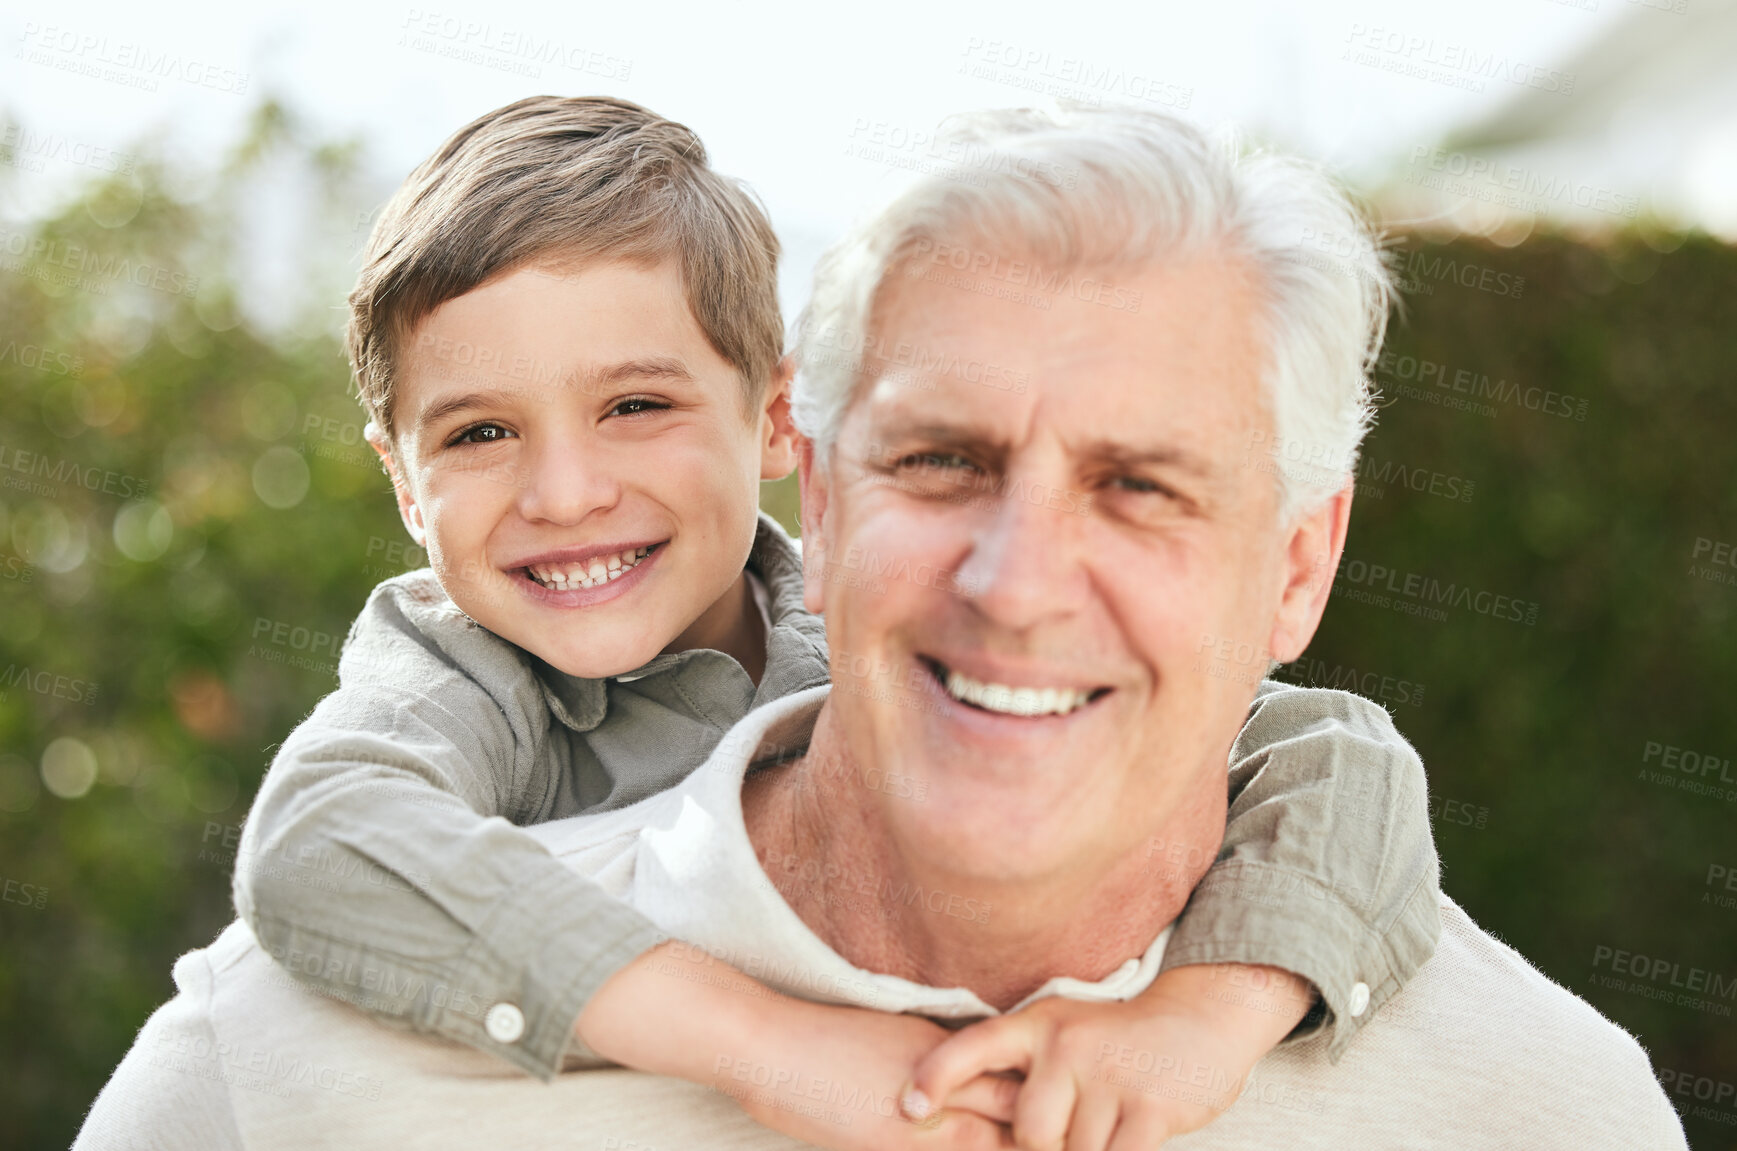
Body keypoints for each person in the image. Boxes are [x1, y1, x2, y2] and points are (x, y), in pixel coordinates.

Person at [77, 99, 1451, 1150]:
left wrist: (1204, 1016)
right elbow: (322, 841)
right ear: (398, 477)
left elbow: (1338, 755)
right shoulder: (460, 676)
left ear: (779, 419)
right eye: (483, 433)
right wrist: (763, 1045)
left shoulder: (859, 625)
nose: (564, 493)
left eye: (636, 407)